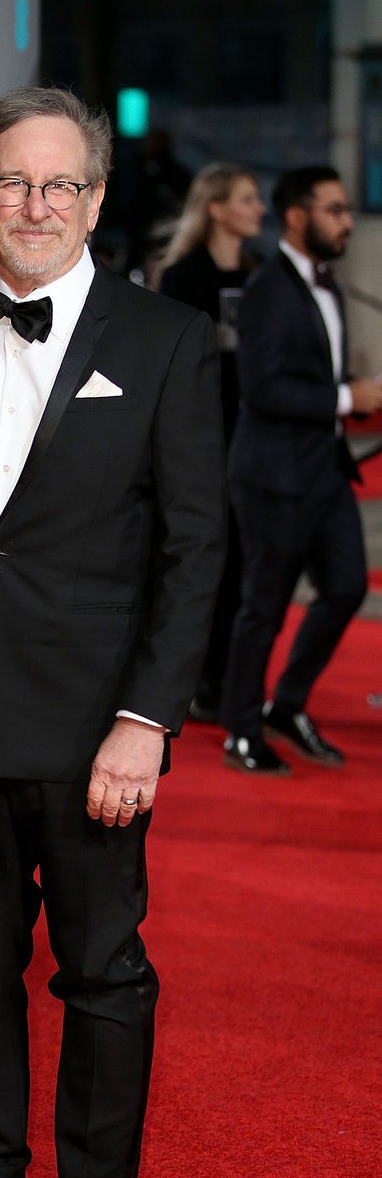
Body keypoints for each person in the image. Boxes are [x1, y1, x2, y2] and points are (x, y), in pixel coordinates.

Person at [0, 86, 226, 1178]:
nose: (30, 206)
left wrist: (144, 723)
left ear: (94, 198)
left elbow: (196, 549)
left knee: (102, 979)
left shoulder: (165, 340)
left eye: (57, 184)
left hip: (96, 735)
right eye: (5, 181)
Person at [220, 165, 380, 774]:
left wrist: (349, 392)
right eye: (335, 210)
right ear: (297, 216)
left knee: (345, 588)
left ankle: (285, 705)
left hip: (323, 469)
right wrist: (347, 399)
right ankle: (240, 729)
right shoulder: (266, 292)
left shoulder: (327, 284)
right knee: (262, 605)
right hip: (274, 475)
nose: (346, 222)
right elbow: (261, 391)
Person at [158, 163, 265, 721]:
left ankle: (229, 679)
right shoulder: (184, 279)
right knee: (208, 563)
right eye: (247, 198)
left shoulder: (259, 273)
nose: (258, 209)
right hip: (204, 441)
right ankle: (197, 680)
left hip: (256, 440)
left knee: (250, 567)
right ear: (217, 208)